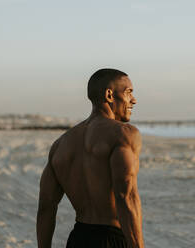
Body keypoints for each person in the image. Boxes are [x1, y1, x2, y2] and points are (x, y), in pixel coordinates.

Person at [36, 68, 144, 248]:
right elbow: (126, 196)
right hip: (113, 239)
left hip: (79, 239)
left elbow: (46, 207)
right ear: (109, 95)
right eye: (128, 93)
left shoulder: (61, 144)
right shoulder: (123, 134)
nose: (134, 100)